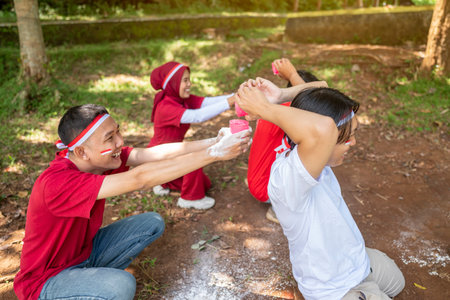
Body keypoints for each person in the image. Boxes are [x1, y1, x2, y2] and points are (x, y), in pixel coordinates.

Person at [14, 104, 251, 300]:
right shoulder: (58, 182)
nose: (119, 141)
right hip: (45, 282)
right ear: (82, 153)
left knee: (151, 223)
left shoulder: (97, 161)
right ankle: (80, 289)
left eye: (117, 131)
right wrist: (214, 154)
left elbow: (152, 154)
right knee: (122, 285)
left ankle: (86, 284)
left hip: (81, 256)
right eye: (110, 138)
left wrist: (213, 141)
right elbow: (140, 178)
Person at [237, 80, 405, 300]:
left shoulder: (312, 158)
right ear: (323, 140)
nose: (352, 143)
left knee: (398, 284)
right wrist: (264, 110)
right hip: (335, 289)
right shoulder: (289, 178)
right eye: (346, 137)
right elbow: (325, 127)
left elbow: (322, 86)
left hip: (356, 262)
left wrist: (280, 96)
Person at [148, 61, 237, 209]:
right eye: (185, 80)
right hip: (160, 155)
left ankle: (162, 180)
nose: (189, 84)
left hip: (173, 151)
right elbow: (197, 116)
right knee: (195, 158)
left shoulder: (180, 99)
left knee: (205, 183)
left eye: (189, 79)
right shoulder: (166, 106)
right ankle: (189, 199)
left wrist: (236, 95)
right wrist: (230, 101)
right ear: (173, 83)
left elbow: (206, 102)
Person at [246, 58, 320, 223]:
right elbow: (316, 105)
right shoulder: (291, 113)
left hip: (257, 180)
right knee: (315, 152)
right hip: (265, 190)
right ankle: (280, 207)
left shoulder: (275, 109)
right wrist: (292, 74)